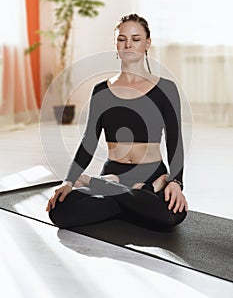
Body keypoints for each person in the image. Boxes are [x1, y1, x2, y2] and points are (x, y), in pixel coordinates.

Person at [46, 13, 188, 230]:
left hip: (151, 171)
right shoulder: (101, 90)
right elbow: (89, 140)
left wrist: (176, 182)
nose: (128, 44)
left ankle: (100, 186)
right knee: (60, 211)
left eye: (136, 39)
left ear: (147, 43)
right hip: (114, 172)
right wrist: (69, 180)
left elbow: (175, 141)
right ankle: (144, 193)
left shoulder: (165, 89)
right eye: (122, 39)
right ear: (115, 43)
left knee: (173, 216)